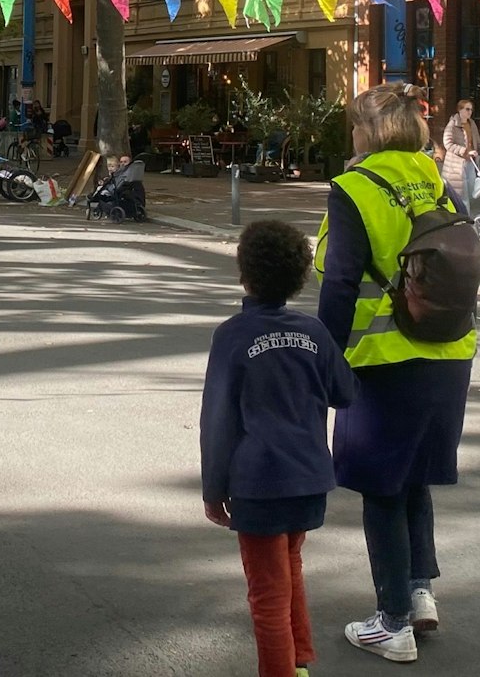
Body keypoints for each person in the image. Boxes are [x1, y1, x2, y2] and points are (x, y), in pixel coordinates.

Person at [315, 82, 477, 663]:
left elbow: (339, 281)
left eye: (355, 126)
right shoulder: (436, 178)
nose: (351, 135)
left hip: (383, 359)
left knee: (381, 486)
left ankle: (392, 623)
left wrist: (324, 357)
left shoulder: (354, 187)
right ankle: (419, 592)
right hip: (450, 350)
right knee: (413, 478)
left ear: (370, 131)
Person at [202, 220, 355, 677]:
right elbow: (344, 392)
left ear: (243, 273)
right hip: (308, 479)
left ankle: (281, 670)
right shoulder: (314, 333)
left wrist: (214, 487)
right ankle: (300, 659)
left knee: (267, 593)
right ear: (300, 275)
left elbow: (218, 420)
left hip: (258, 482)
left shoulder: (232, 336)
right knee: (290, 567)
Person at [439, 99, 480, 208]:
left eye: (471, 110)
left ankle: (461, 214)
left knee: (471, 190)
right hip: (456, 165)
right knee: (462, 195)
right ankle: (465, 219)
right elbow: (447, 143)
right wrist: (464, 151)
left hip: (471, 162)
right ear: (460, 110)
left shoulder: (472, 124)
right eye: (467, 109)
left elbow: (477, 143)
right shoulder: (452, 124)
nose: (469, 112)